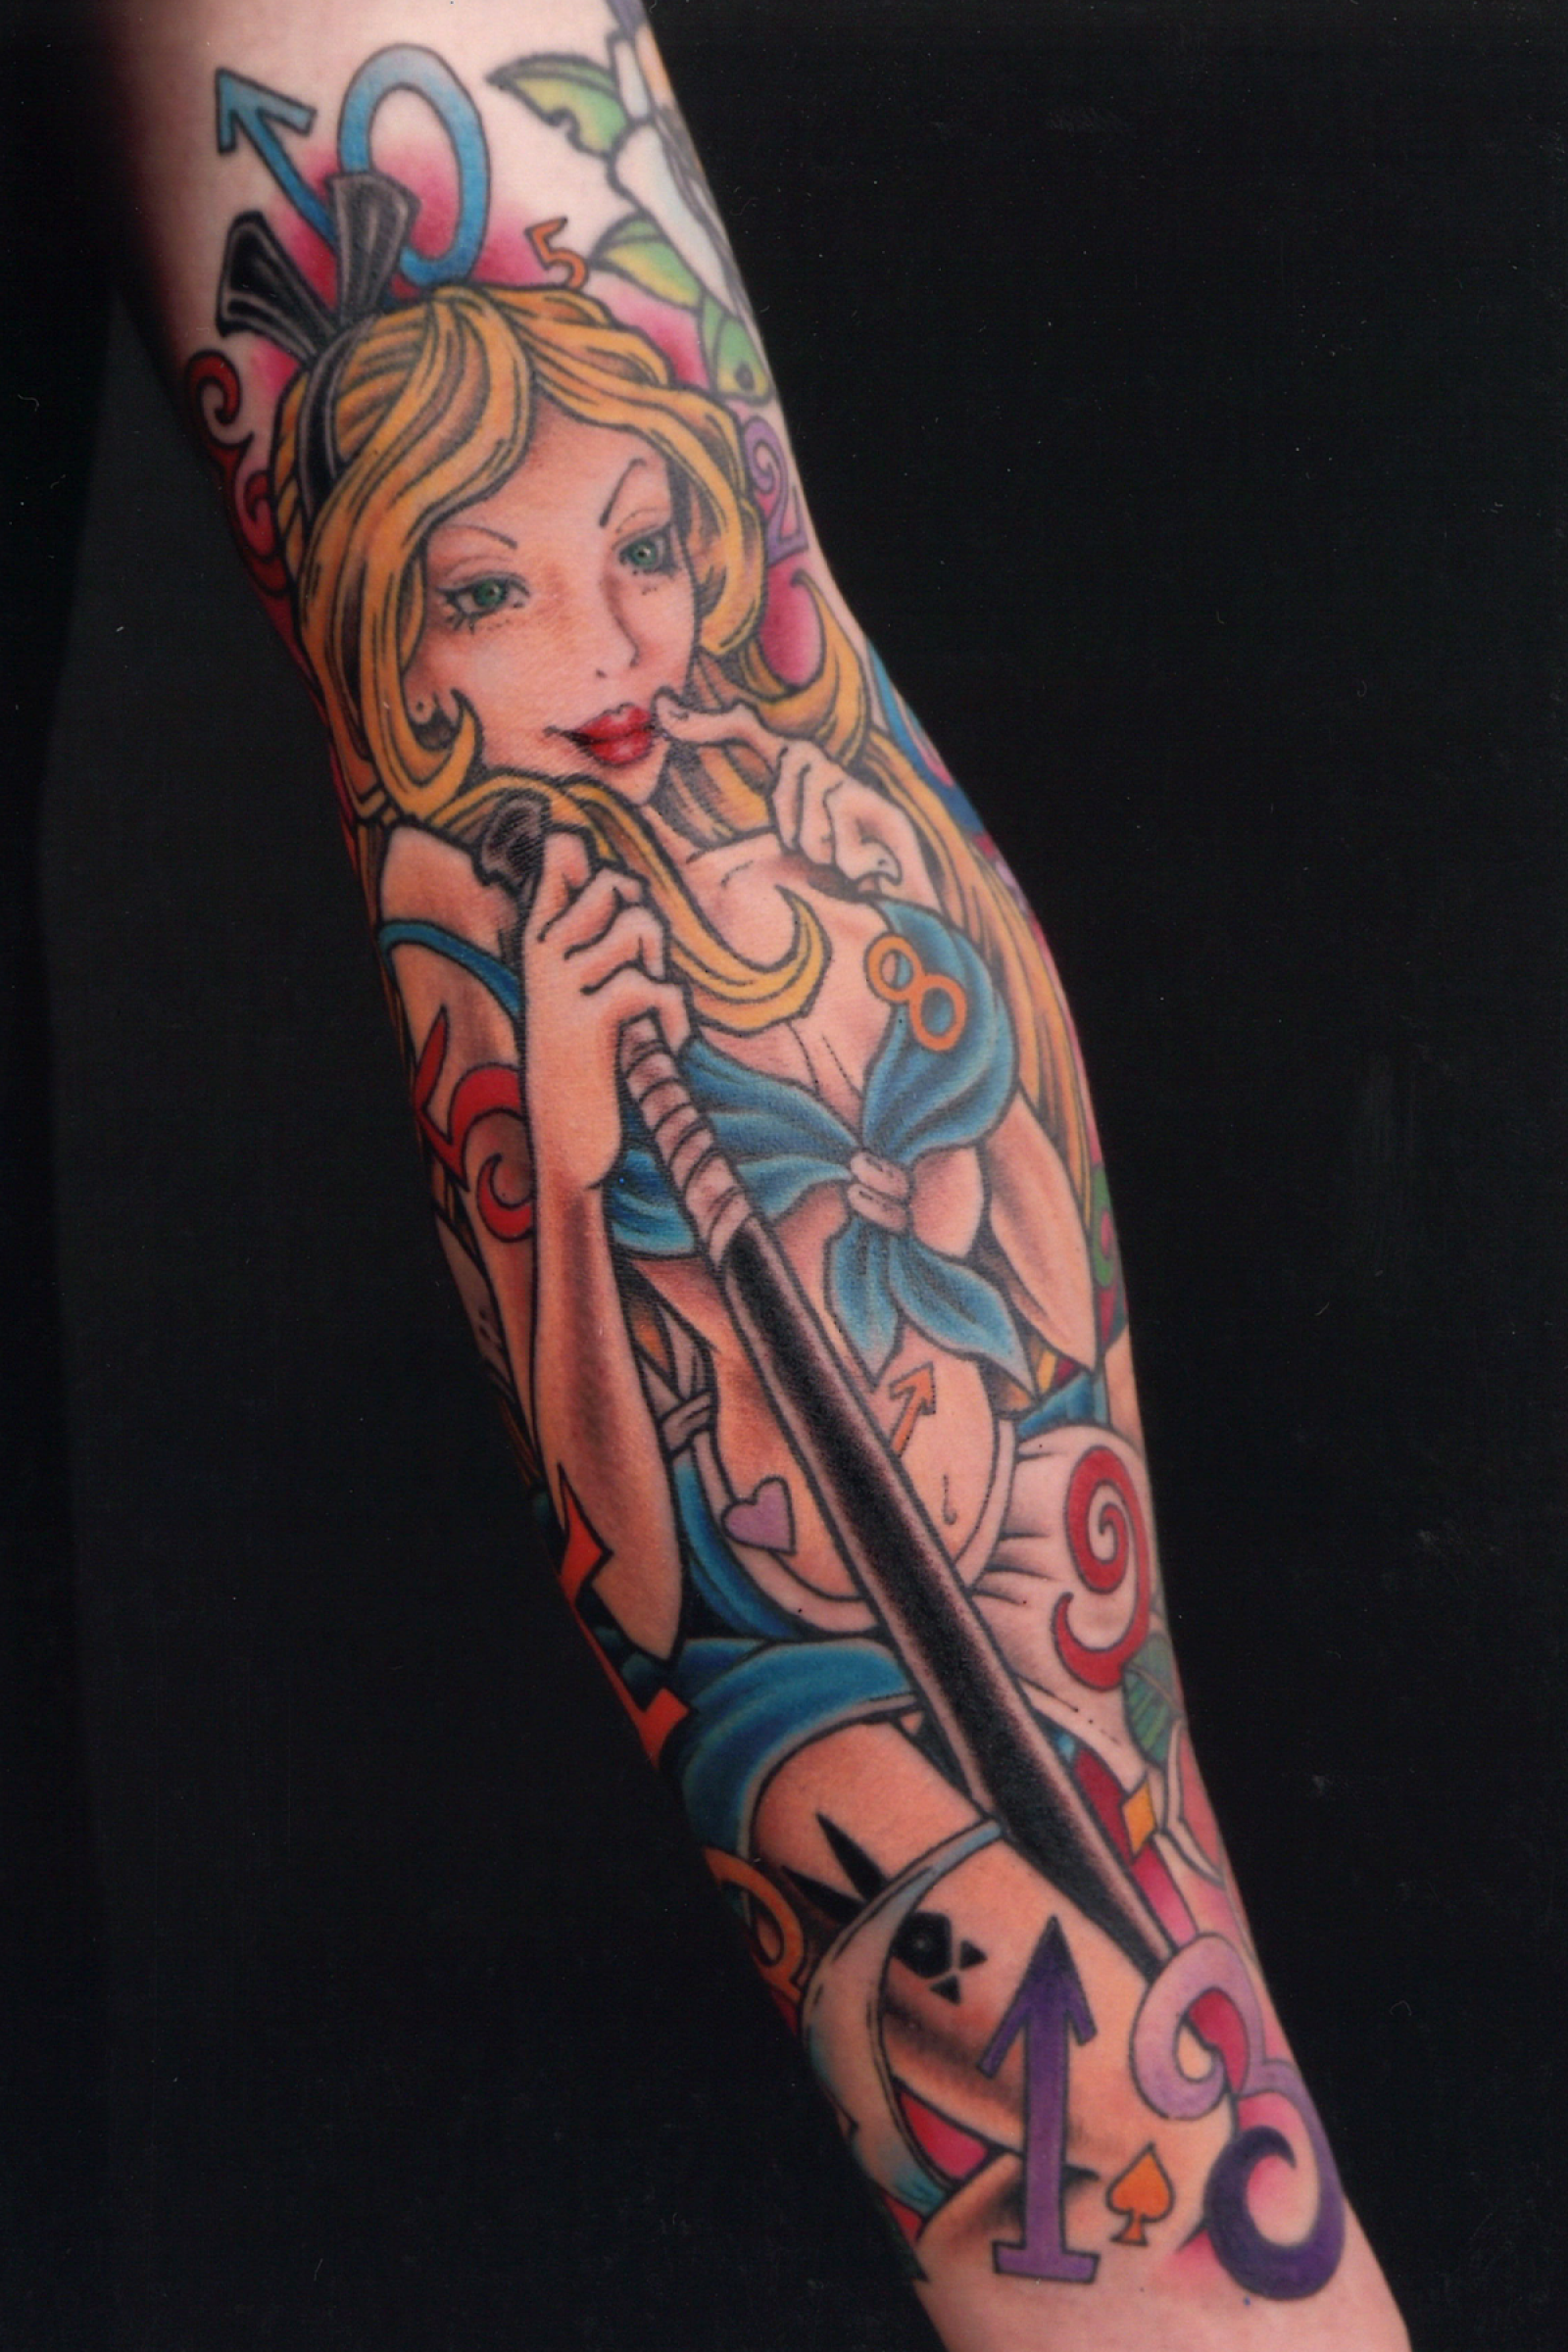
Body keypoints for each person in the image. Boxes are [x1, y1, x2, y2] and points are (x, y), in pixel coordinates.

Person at [102, 5, 1411, 2345]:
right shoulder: (508, 966)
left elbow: (1004, 1277)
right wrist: (570, 1120)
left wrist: (1211, 2299)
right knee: (1021, 2011)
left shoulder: (760, 818)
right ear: (415, 643)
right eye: (492, 589)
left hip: (995, 1593)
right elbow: (639, 1537)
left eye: (642, 549)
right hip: (804, 1696)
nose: (613, 641)